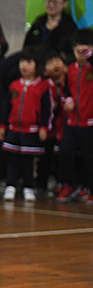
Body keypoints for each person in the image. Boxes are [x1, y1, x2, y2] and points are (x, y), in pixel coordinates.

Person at [0, 50, 53, 201]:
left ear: (37, 65)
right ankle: (10, 186)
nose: (24, 65)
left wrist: (43, 127)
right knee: (12, 159)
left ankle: (29, 187)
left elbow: (47, 109)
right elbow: (7, 107)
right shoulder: (14, 85)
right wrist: (3, 125)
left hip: (31, 130)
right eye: (22, 62)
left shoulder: (42, 87)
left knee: (28, 161)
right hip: (14, 128)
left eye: (29, 62)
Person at [56, 29, 93, 203]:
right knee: (64, 153)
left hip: (90, 122)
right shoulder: (70, 70)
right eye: (79, 51)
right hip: (72, 121)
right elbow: (65, 91)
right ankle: (69, 184)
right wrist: (68, 100)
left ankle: (90, 188)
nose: (82, 56)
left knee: (89, 157)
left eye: (86, 52)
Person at [37, 51, 67, 195]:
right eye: (49, 63)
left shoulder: (70, 81)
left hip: (65, 128)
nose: (54, 64)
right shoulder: (44, 85)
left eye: (57, 60)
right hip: (49, 130)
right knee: (45, 157)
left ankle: (64, 183)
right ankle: (41, 184)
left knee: (62, 157)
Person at [24, 0, 77, 64]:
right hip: (35, 61)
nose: (51, 5)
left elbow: (71, 53)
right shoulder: (39, 22)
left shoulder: (69, 25)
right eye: (49, 1)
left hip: (55, 64)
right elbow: (27, 45)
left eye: (56, 2)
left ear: (65, 4)